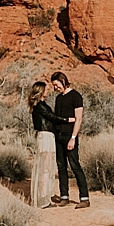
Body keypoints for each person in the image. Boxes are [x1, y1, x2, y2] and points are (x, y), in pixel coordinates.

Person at [26, 81, 70, 208]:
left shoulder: (40, 105)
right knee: (45, 168)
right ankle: (43, 201)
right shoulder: (40, 105)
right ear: (40, 91)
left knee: (45, 168)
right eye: (46, 89)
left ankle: (44, 198)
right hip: (46, 137)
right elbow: (52, 117)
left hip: (45, 136)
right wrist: (67, 120)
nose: (48, 91)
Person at [49, 71, 90, 209]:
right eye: (53, 86)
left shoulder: (75, 96)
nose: (55, 88)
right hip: (58, 136)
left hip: (69, 136)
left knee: (75, 166)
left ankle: (84, 198)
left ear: (63, 81)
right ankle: (64, 196)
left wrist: (73, 138)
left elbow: (78, 119)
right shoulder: (58, 98)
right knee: (61, 167)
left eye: (56, 85)